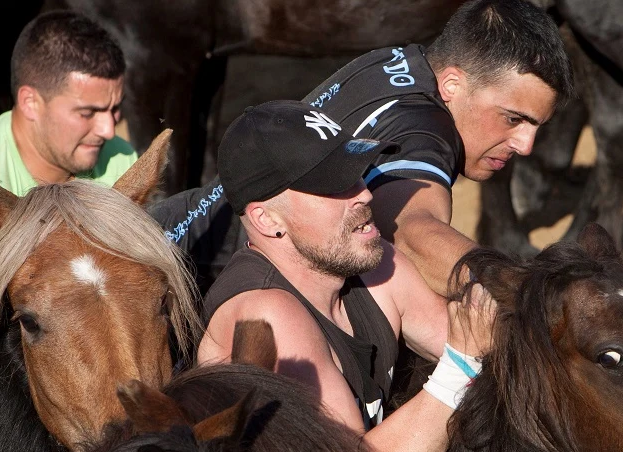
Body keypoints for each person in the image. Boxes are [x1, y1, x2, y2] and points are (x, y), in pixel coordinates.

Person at [198, 100, 494, 452]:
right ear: (268, 219)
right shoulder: (267, 314)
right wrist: (460, 367)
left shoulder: (375, 266)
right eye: (334, 187)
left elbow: (501, 348)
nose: (365, 194)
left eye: (356, 173)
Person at [150, 0, 573, 296]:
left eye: (537, 126)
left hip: (165, 230)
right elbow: (414, 234)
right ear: (453, 84)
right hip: (181, 285)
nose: (526, 145)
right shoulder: (423, 129)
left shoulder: (399, 60)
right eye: (514, 119)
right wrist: (532, 293)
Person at [0, 10, 137, 239]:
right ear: (30, 102)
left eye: (114, 109)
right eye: (87, 113)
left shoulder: (122, 161)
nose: (108, 130)